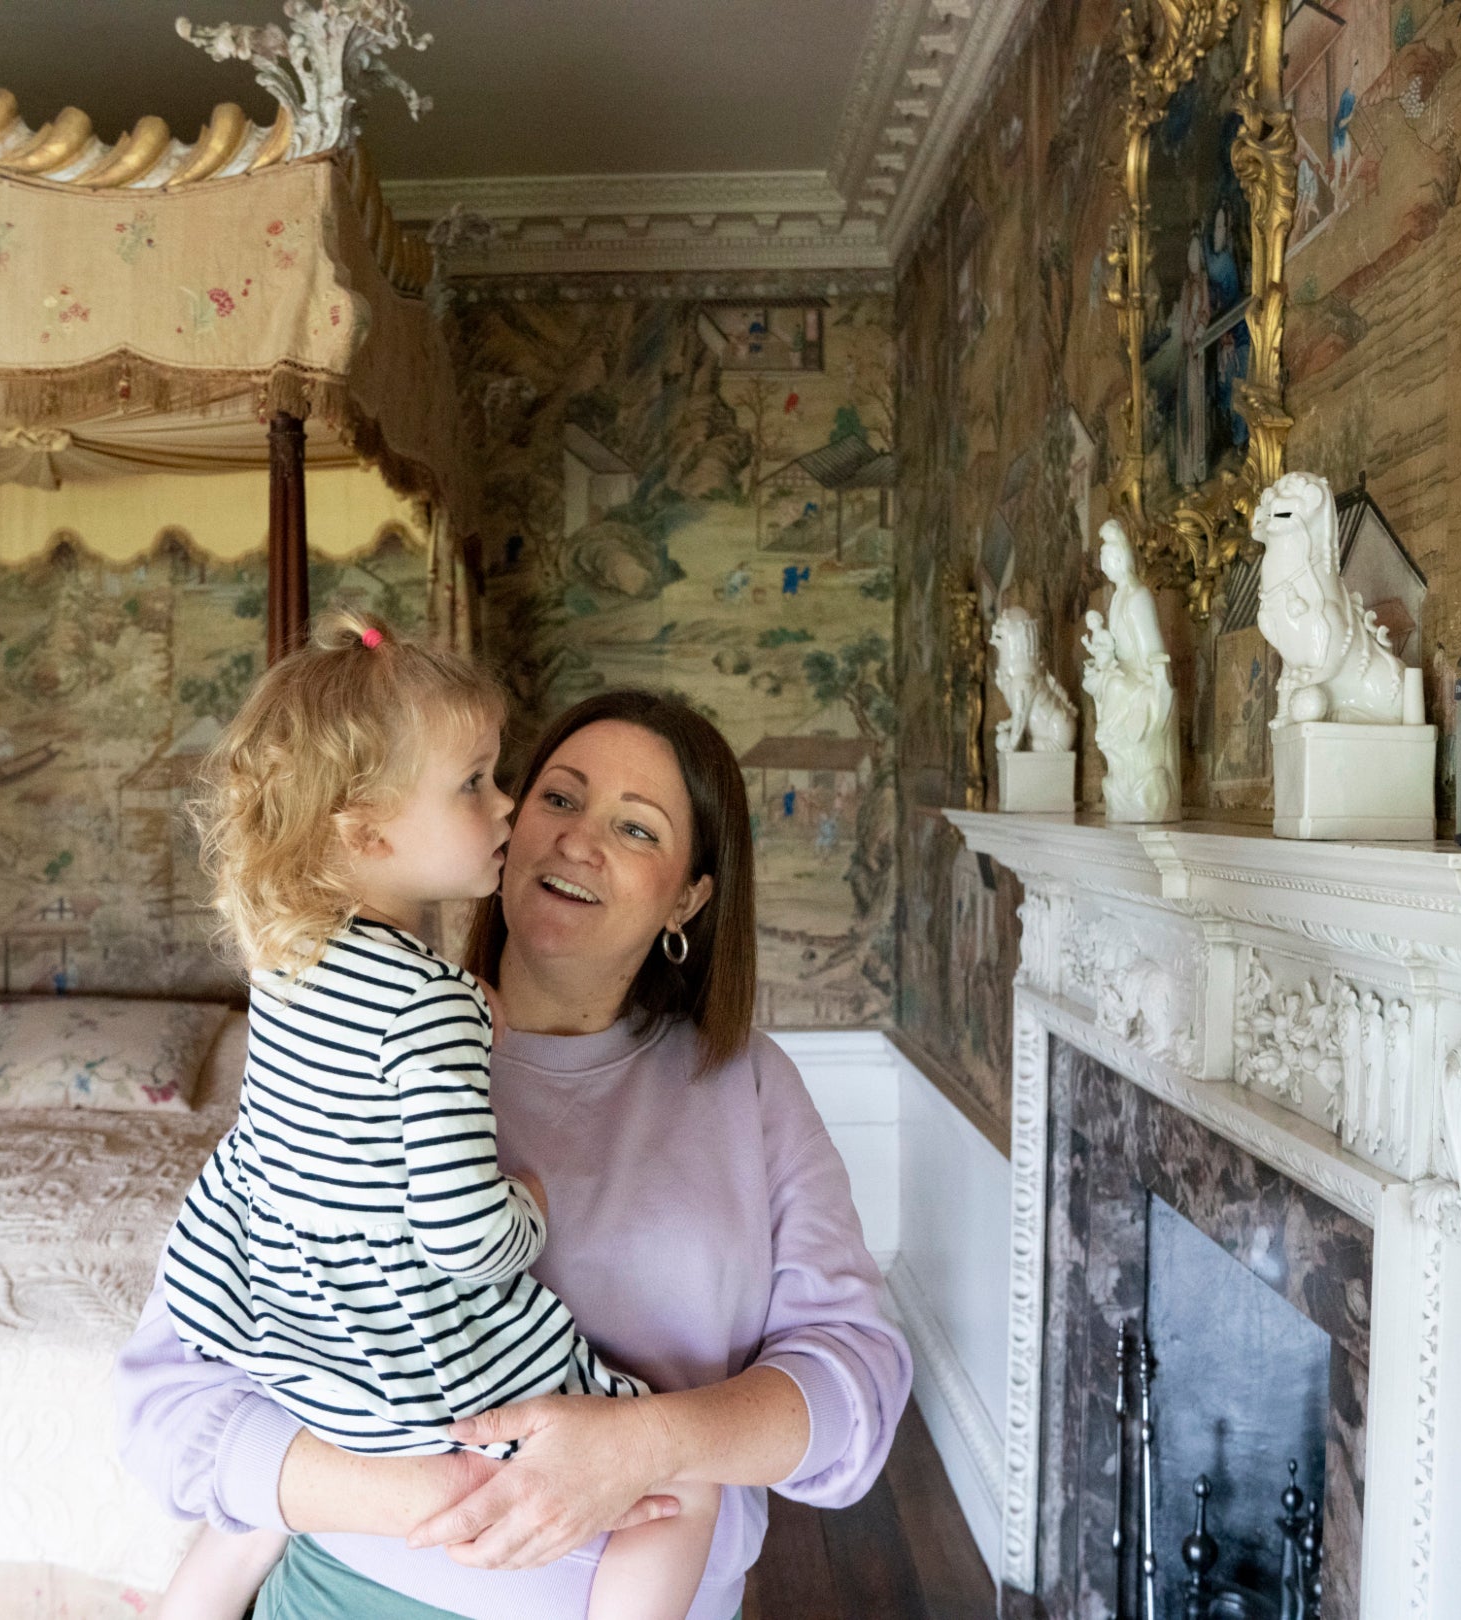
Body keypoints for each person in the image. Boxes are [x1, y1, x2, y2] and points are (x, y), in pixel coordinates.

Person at [115, 688, 911, 1620]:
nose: (579, 840)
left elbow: (855, 1388)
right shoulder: (369, 1050)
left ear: (689, 896)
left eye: (638, 829)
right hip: (355, 1589)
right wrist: (442, 1498)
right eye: (560, 799)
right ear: (505, 826)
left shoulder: (748, 1087)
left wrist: (645, 1445)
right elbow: (165, 1409)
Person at [153, 628, 720, 1620]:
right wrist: (529, 1208)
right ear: (368, 832)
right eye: (475, 784)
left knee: (253, 1509)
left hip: (296, 1338)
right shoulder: (432, 1010)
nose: (503, 804)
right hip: (425, 1367)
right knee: (687, 1486)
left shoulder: (283, 961)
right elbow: (464, 1241)